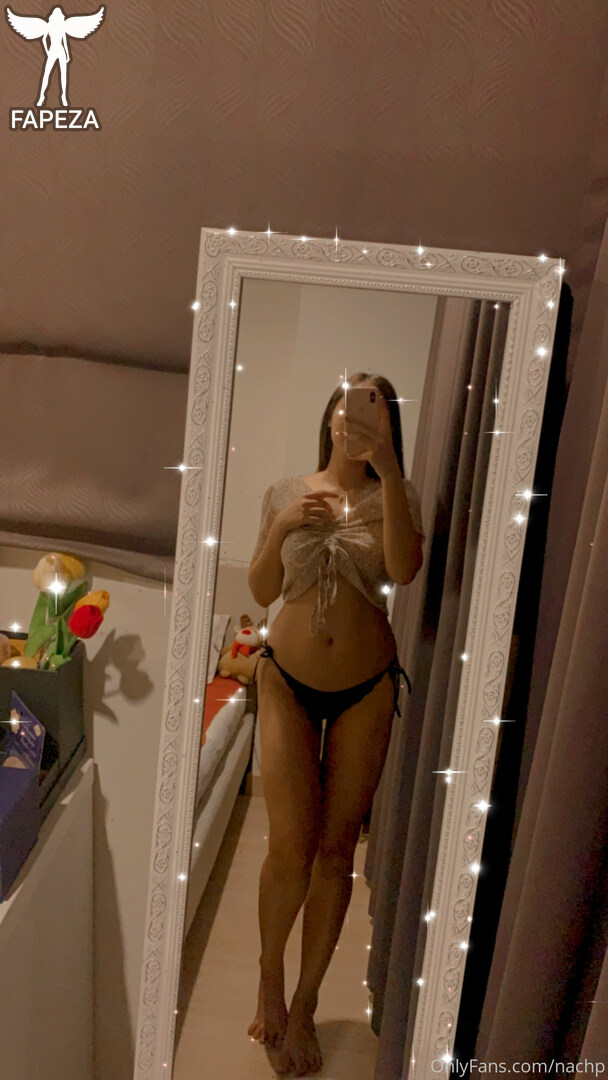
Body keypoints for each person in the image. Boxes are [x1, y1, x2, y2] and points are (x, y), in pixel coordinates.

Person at [247, 373, 425, 1076]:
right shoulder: (285, 492)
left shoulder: (399, 495)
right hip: (284, 681)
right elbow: (261, 588)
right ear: (330, 416)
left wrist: (390, 472)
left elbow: (404, 572)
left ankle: (307, 1002)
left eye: (375, 404)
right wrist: (284, 526)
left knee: (335, 850)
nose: (356, 413)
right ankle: (269, 974)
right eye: (349, 400)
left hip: (366, 687)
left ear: (388, 424)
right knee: (290, 845)